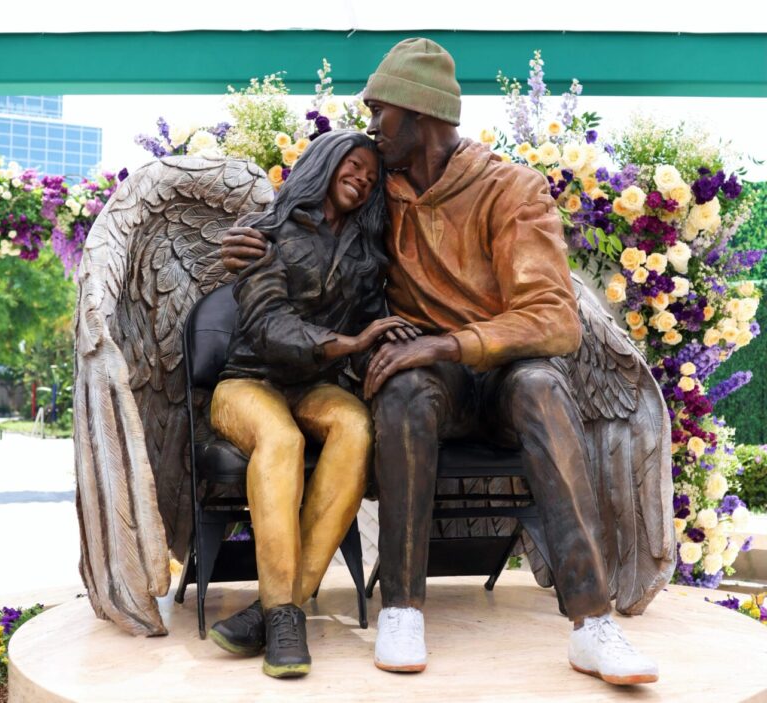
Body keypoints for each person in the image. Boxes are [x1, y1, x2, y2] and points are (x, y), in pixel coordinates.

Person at [221, 39, 660, 686]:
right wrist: (253, 237)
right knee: (402, 388)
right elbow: (312, 211)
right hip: (435, 383)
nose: (370, 125)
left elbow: (553, 319)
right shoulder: (380, 191)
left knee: (541, 385)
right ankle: (401, 606)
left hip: (508, 371)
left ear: (418, 114)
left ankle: (592, 624)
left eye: (380, 111)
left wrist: (443, 341)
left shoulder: (511, 189)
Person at [209, 129, 418, 679]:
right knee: (281, 439)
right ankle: (284, 614)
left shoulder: (365, 255)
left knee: (355, 425)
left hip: (312, 386)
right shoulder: (264, 231)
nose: (363, 179)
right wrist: (350, 343)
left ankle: (279, 610)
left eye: (372, 177)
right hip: (246, 382)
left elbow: (376, 321)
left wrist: (394, 347)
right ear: (326, 163)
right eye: (354, 165)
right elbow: (270, 326)